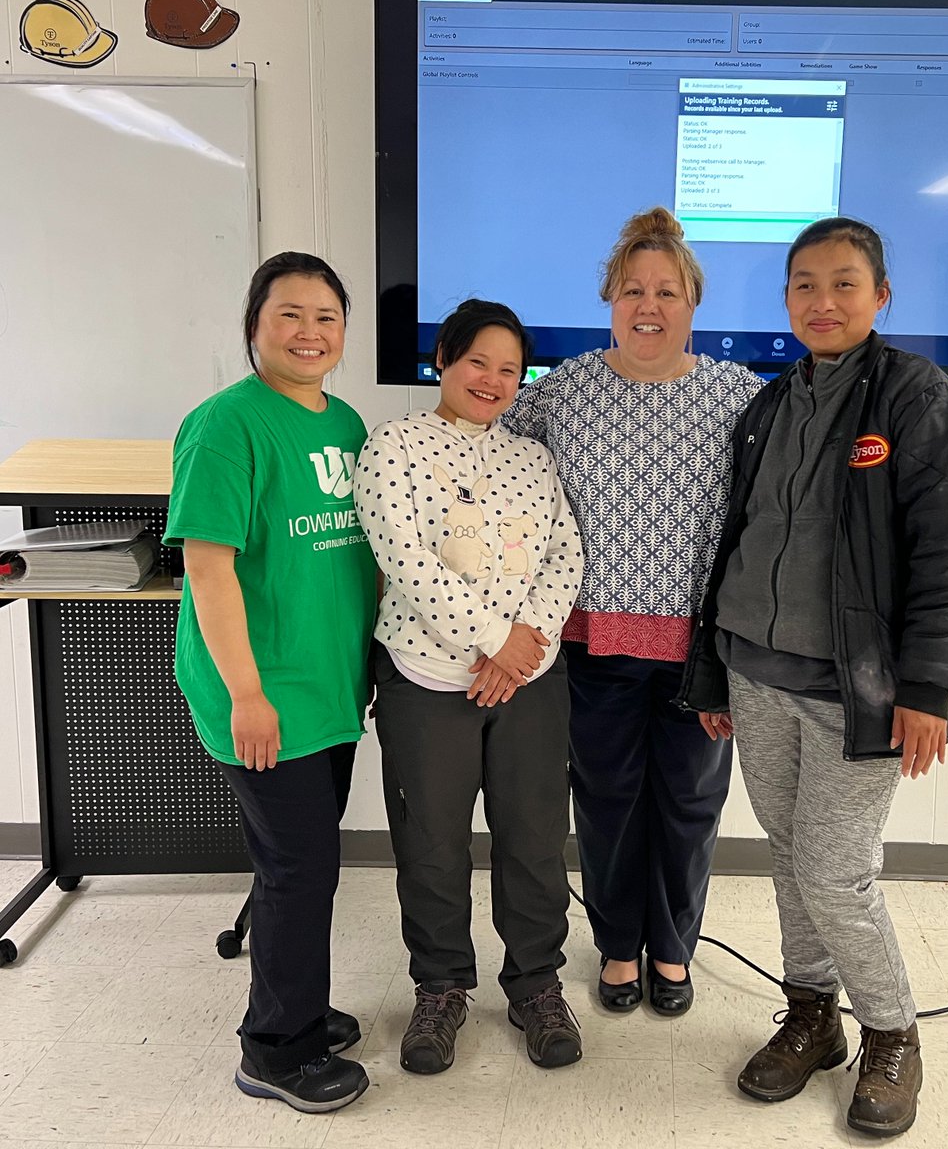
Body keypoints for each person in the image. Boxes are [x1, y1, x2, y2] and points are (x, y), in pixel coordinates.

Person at [680, 217, 948, 1137]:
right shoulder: (771, 405)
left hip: (856, 688)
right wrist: (714, 674)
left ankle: (892, 1033)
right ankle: (812, 1015)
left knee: (834, 869)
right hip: (756, 673)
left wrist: (928, 687)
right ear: (786, 301)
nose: (823, 301)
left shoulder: (915, 396)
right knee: (789, 854)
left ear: (881, 295)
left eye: (844, 283)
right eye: (805, 285)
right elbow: (733, 544)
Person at [503, 208, 763, 1015]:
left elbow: (809, 465)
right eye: (632, 290)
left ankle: (674, 949)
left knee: (690, 804)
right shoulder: (563, 391)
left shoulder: (739, 395)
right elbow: (488, 455)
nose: (649, 305)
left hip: (700, 654)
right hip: (595, 641)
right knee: (608, 799)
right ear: (609, 299)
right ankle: (619, 945)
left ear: (694, 304)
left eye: (668, 291)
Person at [164, 252, 377, 1113]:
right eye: (290, 314)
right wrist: (249, 695)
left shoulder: (347, 425)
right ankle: (274, 1050)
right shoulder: (226, 425)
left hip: (326, 691)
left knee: (301, 864)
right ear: (254, 326)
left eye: (326, 317)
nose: (309, 332)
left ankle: (300, 1007)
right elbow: (208, 571)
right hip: (262, 695)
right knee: (301, 869)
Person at [354, 299, 585, 1073]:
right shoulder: (392, 446)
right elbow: (407, 561)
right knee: (431, 842)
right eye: (477, 362)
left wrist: (521, 651)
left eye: (509, 370)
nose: (492, 380)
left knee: (533, 838)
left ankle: (536, 988)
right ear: (443, 359)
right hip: (425, 678)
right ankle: (441, 988)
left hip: (529, 682)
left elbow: (565, 558)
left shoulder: (532, 458)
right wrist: (495, 639)